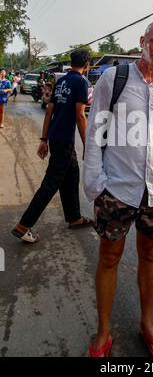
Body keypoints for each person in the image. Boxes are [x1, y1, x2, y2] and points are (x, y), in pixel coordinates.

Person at [83, 21, 153, 358]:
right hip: (117, 188)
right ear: (142, 42)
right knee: (109, 258)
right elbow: (96, 132)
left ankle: (146, 323)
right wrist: (95, 184)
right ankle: (103, 331)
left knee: (150, 256)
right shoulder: (114, 79)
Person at [12, 49, 93, 243]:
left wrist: (44, 138)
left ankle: (74, 217)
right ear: (87, 65)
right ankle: (23, 225)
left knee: (72, 175)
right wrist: (88, 144)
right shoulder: (81, 82)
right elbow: (81, 115)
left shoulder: (61, 81)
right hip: (64, 141)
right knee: (50, 184)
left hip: (57, 138)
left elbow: (49, 110)